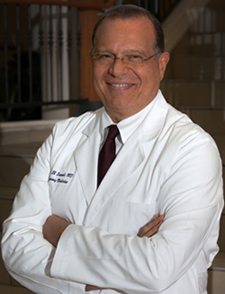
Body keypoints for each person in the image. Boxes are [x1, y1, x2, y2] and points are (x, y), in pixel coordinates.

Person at [1, 4, 223, 294]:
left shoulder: (192, 149)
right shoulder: (64, 135)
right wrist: (96, 280)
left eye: (134, 56)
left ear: (161, 64)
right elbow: (14, 245)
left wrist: (58, 231)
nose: (118, 69)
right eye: (105, 55)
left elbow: (158, 268)